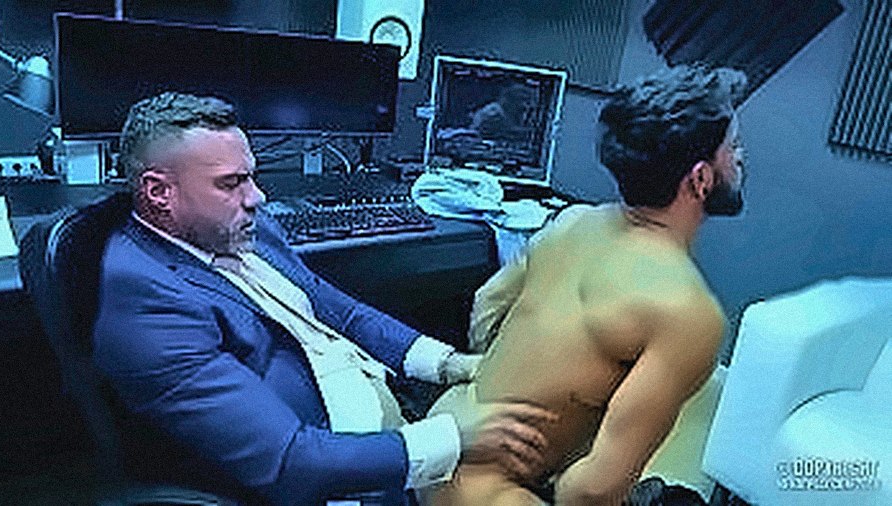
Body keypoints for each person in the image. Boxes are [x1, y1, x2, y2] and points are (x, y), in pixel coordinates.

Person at [92, 92, 555, 505]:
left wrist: (448, 363)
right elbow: (292, 462)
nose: (257, 197)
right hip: (340, 474)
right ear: (159, 192)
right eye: (231, 183)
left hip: (388, 421)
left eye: (252, 177)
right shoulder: (145, 305)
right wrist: (456, 439)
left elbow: (337, 310)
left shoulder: (241, 228)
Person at [424, 64, 747, 506]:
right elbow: (590, 492)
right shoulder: (687, 312)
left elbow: (487, 304)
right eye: (734, 146)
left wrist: (519, 380)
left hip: (445, 428)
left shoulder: (574, 220)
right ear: (700, 179)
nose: (741, 157)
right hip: (486, 491)